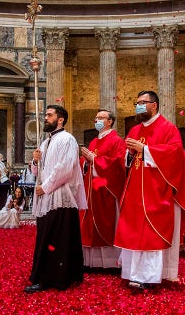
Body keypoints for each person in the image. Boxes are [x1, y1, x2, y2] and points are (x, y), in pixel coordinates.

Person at [114, 91, 185, 289]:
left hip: (156, 191)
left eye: (142, 103)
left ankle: (149, 276)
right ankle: (133, 274)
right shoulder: (135, 129)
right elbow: (126, 158)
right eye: (136, 103)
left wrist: (145, 150)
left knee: (150, 234)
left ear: (154, 105)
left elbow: (175, 155)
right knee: (134, 231)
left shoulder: (168, 128)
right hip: (135, 190)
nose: (138, 106)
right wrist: (130, 154)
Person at [24, 105, 86, 293]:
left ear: (60, 120)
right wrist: (35, 160)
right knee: (46, 237)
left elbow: (65, 168)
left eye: (49, 115)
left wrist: (46, 187)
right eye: (46, 115)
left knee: (56, 239)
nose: (45, 118)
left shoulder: (68, 139)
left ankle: (52, 278)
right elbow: (37, 171)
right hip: (46, 197)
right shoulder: (45, 142)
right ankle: (56, 275)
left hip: (60, 197)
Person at [79, 109, 126, 269]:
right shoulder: (93, 142)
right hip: (91, 189)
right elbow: (87, 163)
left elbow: (118, 165)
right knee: (88, 223)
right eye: (96, 118)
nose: (96, 120)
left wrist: (96, 159)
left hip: (106, 189)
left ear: (110, 121)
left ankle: (109, 262)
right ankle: (90, 261)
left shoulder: (117, 141)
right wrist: (85, 161)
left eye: (100, 118)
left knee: (105, 222)